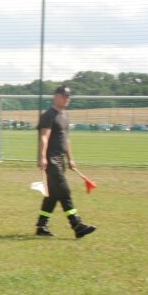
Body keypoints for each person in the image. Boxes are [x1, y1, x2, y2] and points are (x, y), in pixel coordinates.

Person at [36, 85, 96, 239]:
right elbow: (44, 137)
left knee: (53, 195)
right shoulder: (48, 115)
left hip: (61, 160)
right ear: (56, 96)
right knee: (65, 191)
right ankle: (77, 225)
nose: (67, 98)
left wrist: (71, 158)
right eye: (64, 95)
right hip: (51, 160)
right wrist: (42, 157)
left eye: (69, 96)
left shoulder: (65, 116)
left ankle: (41, 226)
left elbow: (66, 139)